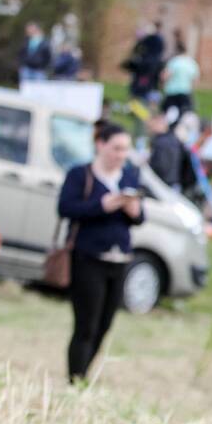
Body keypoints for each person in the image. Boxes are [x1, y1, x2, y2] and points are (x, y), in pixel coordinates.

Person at [57, 123, 144, 382]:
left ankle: (84, 376)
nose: (121, 154)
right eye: (116, 148)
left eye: (125, 149)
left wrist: (133, 211)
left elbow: (140, 217)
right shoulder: (80, 175)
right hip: (88, 258)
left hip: (119, 259)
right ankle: (74, 378)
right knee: (86, 324)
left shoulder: (128, 177)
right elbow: (66, 209)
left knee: (104, 326)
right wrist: (102, 205)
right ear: (100, 145)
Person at [147, 112, 193, 192]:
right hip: (175, 183)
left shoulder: (160, 142)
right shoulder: (175, 140)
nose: (149, 130)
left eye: (151, 126)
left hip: (162, 185)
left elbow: (160, 166)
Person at [161, 30, 200, 117]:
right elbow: (195, 80)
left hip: (172, 92)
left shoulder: (174, 61)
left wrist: (163, 85)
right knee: (183, 115)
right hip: (186, 92)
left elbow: (165, 76)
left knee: (168, 115)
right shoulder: (192, 62)